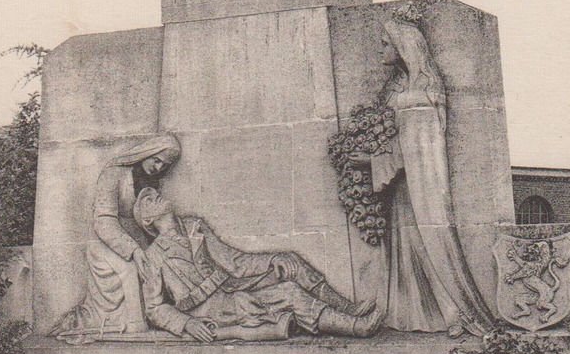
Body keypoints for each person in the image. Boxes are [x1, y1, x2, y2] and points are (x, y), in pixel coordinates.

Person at [353, 9, 494, 336]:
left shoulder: (424, 88)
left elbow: (417, 146)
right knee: (407, 247)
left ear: (404, 46)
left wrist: (374, 161)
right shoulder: (396, 87)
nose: (382, 50)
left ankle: (454, 312)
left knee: (429, 242)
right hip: (399, 187)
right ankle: (410, 312)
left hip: (422, 184)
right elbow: (390, 132)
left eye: (386, 44)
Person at [132, 187, 382, 341]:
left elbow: (234, 261)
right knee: (290, 293)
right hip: (210, 308)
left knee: (289, 262)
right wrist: (187, 323)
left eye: (155, 194)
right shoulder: (153, 255)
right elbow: (154, 308)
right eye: (149, 200)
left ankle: (346, 307)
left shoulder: (194, 225)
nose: (157, 197)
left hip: (230, 287)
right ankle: (355, 327)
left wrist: (272, 260)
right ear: (147, 220)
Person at [50, 133, 181, 342]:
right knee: (128, 269)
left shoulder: (150, 182)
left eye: (163, 165)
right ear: (148, 151)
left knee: (157, 270)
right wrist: (134, 251)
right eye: (156, 160)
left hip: (136, 240)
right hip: (105, 241)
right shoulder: (113, 173)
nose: (158, 167)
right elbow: (103, 220)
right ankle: (133, 327)